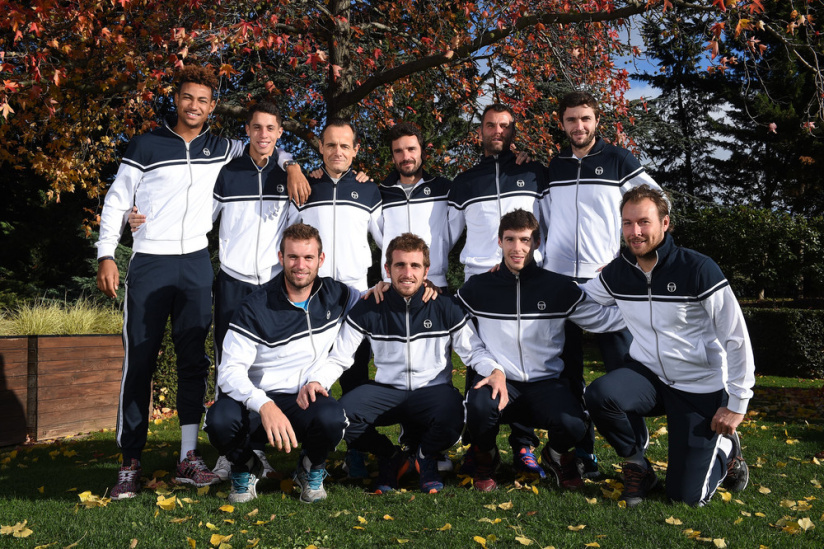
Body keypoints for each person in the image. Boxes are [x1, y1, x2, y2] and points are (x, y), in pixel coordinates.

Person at [97, 66, 308, 500]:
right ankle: (129, 462)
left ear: (212, 107)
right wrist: (106, 252)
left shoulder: (221, 147)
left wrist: (292, 164)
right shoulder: (146, 145)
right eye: (187, 97)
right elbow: (117, 198)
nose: (194, 106)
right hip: (150, 261)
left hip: (195, 264)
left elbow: (266, 142)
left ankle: (188, 457)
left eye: (203, 100)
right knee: (140, 361)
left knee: (194, 361)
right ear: (176, 99)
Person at [583, 185, 753, 506]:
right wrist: (521, 278)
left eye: (643, 222)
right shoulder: (619, 271)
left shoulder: (697, 268)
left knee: (685, 498)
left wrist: (737, 403)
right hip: (649, 377)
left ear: (664, 223)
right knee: (600, 394)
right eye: (627, 223)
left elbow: (735, 336)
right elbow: (577, 299)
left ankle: (726, 450)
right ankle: (637, 465)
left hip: (698, 387)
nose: (635, 232)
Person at [299, 233, 497, 494]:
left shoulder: (445, 306)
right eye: (400, 265)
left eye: (415, 266)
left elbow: (474, 352)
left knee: (456, 414)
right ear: (387, 269)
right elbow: (339, 357)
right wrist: (317, 381)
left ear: (426, 271)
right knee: (340, 415)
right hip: (387, 391)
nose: (407, 273)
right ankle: (391, 457)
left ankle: (425, 457)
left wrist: (494, 371)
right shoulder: (369, 306)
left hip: (432, 390)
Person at [539, 90, 661, 477]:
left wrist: (634, 257)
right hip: (560, 283)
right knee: (567, 373)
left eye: (585, 118)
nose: (579, 126)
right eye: (571, 119)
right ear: (562, 124)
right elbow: (543, 219)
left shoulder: (618, 159)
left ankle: (635, 453)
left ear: (596, 121)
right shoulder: (554, 165)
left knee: (623, 368)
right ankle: (583, 452)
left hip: (607, 283)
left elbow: (656, 201)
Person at [456, 209, 624, 491]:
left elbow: (603, 319)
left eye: (525, 240)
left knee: (575, 424)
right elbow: (449, 318)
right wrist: (491, 368)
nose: (517, 248)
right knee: (478, 407)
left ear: (536, 242)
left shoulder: (558, 287)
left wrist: (648, 308)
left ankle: (556, 455)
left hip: (546, 384)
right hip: (501, 380)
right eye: (510, 239)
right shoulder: (479, 287)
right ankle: (487, 457)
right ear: (499, 241)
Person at [204, 223, 358, 504]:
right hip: (257, 400)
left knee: (332, 419)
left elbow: (375, 301)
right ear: (281, 258)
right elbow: (229, 371)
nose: (300, 265)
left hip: (303, 398)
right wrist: (263, 404)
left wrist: (385, 286)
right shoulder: (254, 306)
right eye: (293, 257)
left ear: (320, 259)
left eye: (308, 257)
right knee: (219, 420)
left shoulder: (338, 295)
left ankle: (310, 467)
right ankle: (246, 466)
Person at [448, 103, 548, 477]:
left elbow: (550, 228)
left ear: (513, 131)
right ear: (481, 131)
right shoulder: (465, 181)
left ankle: (523, 444)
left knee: (523, 359)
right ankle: (480, 446)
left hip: (526, 281)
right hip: (479, 285)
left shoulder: (533, 172)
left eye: (504, 125)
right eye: (490, 125)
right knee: (479, 359)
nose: (497, 131)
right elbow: (446, 236)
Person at [292, 119, 383, 477]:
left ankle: (356, 451)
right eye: (330, 145)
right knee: (311, 373)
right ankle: (312, 456)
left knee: (355, 377)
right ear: (320, 147)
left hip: (355, 298)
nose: (337, 151)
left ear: (356, 150)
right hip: (313, 298)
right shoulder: (305, 187)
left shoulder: (369, 190)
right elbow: (289, 238)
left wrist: (385, 282)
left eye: (345, 146)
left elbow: (387, 241)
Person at [378, 122, 451, 290]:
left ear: (422, 153)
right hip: (394, 284)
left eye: (411, 149)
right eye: (398, 151)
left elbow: (451, 232)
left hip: (435, 284)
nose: (406, 157)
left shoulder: (443, 189)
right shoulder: (380, 193)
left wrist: (438, 255)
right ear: (393, 157)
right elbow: (380, 236)